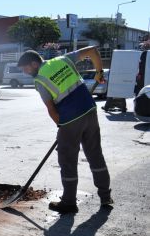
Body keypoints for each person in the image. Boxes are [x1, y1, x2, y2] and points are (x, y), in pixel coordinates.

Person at [18, 47, 112, 214]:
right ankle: (105, 197)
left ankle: (69, 202)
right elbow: (92, 51)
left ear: (34, 64)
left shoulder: (40, 80)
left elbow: (51, 109)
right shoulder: (63, 59)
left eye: (26, 69)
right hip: (90, 110)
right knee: (95, 155)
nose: (26, 73)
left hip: (70, 119)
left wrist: (61, 126)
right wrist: (99, 72)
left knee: (67, 160)